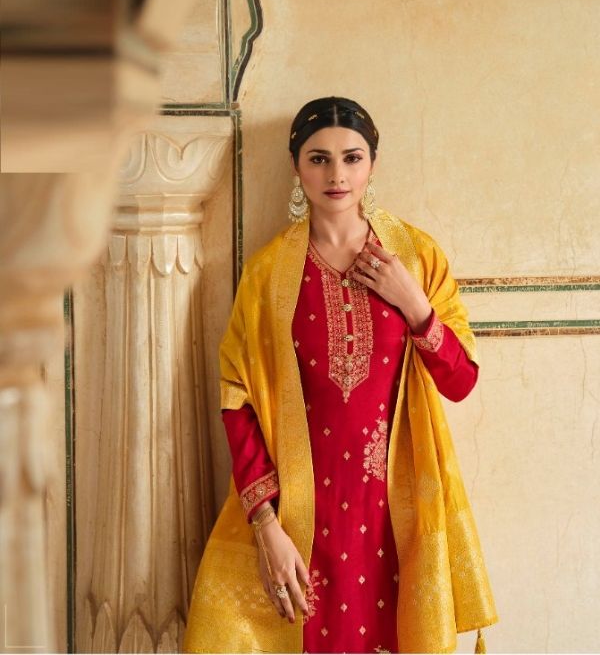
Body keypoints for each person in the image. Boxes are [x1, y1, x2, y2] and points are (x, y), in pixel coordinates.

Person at [183, 96, 498, 654]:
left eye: (352, 158)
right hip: (300, 515)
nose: (337, 175)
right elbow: (237, 400)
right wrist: (267, 526)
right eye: (319, 159)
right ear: (296, 166)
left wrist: (415, 305)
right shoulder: (267, 274)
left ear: (372, 164)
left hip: (395, 514)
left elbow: (461, 381)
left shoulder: (416, 258)